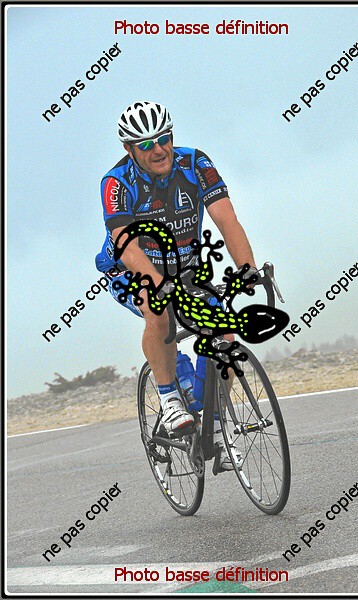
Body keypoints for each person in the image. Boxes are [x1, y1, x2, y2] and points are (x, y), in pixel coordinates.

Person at [96, 101, 257, 469]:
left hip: (184, 269)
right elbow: (127, 246)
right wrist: (158, 285)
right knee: (158, 310)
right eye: (146, 144)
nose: (158, 149)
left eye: (163, 139)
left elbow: (227, 219)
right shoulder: (116, 182)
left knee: (224, 333)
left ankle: (214, 426)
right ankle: (169, 398)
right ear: (129, 149)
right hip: (127, 268)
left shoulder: (196, 163)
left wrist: (248, 268)